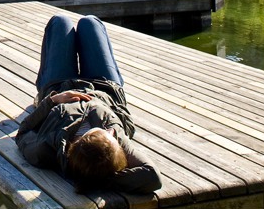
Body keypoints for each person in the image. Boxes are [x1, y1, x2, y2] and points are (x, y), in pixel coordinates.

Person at [15, 14, 162, 195]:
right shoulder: (115, 142)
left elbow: (22, 133)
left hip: (59, 85)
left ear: (81, 139)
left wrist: (52, 101)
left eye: (104, 133)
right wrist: (101, 179)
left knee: (60, 22)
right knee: (90, 22)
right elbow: (152, 176)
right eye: (111, 134)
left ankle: (44, 92)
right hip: (104, 87)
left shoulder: (47, 148)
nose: (110, 131)